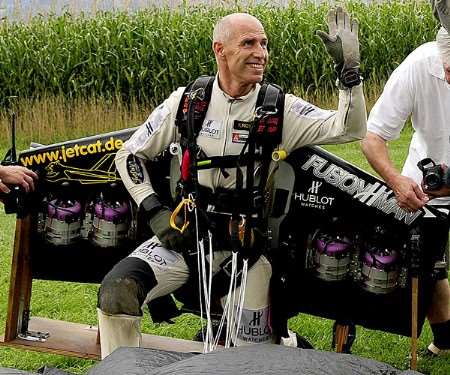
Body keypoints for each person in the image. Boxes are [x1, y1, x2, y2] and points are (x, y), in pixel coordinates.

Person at [97, 8, 367, 359]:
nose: (261, 53)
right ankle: (121, 370)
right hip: (186, 239)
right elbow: (129, 155)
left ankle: (285, 345)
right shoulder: (188, 101)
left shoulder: (278, 108)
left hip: (246, 254)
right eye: (249, 43)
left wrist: (350, 76)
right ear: (219, 50)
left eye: (264, 44)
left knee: (247, 359)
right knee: (117, 292)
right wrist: (154, 211)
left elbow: (350, 128)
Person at [361, 23, 450, 355]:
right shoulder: (419, 65)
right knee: (426, 263)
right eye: (449, 70)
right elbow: (372, 138)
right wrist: (396, 180)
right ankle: (445, 341)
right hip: (425, 184)